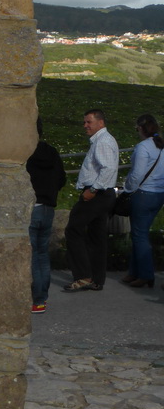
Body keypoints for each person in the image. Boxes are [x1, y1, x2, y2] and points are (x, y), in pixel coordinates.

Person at [63, 108, 119, 293]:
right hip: (103, 194)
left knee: (73, 229)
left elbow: (108, 168)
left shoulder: (102, 141)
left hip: (97, 194)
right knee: (97, 237)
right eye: (84, 122)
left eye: (89, 122)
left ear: (100, 123)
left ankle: (83, 276)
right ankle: (96, 278)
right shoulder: (102, 140)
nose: (85, 125)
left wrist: (93, 190)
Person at [26, 118, 66, 313]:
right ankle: (41, 299)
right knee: (42, 253)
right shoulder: (52, 153)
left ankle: (33, 297)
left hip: (32, 207)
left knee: (32, 254)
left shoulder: (26, 154)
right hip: (48, 208)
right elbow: (62, 179)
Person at [120, 114, 164, 288]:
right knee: (141, 233)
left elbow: (137, 174)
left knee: (139, 235)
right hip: (159, 194)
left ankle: (145, 274)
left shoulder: (143, 147)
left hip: (143, 195)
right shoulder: (160, 145)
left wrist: (127, 189)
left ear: (140, 128)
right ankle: (134, 272)